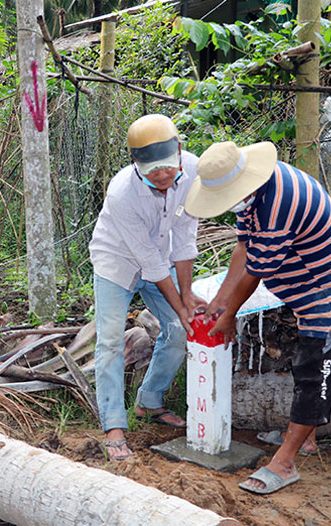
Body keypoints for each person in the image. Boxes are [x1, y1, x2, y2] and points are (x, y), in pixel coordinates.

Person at [184, 140, 331, 494]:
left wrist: (230, 315)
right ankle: (307, 439)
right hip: (311, 293)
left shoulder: (278, 203)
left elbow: (254, 272)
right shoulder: (252, 191)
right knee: (320, 364)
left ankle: (284, 462)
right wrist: (219, 303)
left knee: (314, 370)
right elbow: (243, 246)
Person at [89, 114, 207, 461]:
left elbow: (185, 237)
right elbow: (150, 264)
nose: (161, 176)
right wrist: (181, 302)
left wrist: (186, 297)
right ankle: (113, 427)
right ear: (135, 163)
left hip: (162, 257)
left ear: (180, 153)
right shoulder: (122, 191)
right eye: (151, 170)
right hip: (117, 262)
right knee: (110, 341)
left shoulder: (193, 172)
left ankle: (149, 402)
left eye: (167, 167)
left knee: (177, 329)